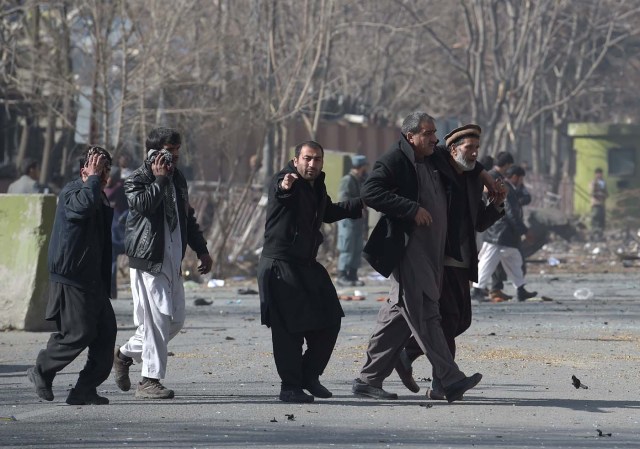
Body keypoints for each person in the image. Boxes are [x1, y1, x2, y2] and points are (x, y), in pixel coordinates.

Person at [352, 112, 484, 403]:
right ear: (410, 136)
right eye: (427, 133)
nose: (434, 139)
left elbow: (466, 161)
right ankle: (449, 380)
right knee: (426, 312)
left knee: (396, 319)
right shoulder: (396, 160)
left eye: (435, 133)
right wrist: (410, 209)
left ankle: (368, 379)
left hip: (432, 252)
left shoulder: (432, 156)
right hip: (409, 251)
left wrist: (487, 179)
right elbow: (370, 192)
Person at [394, 124, 505, 399]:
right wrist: (483, 171)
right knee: (448, 320)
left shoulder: (470, 179)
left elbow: (478, 222)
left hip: (462, 261)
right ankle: (441, 383)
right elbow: (438, 152)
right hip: (439, 258)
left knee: (460, 321)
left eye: (478, 150)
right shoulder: (439, 170)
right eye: (469, 149)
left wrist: (497, 204)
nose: (474, 155)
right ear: (453, 149)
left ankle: (409, 353)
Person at [257, 140, 363, 403]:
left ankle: (309, 376)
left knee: (330, 317)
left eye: (316, 159)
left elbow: (328, 212)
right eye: (307, 158)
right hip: (280, 265)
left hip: (306, 264)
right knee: (288, 330)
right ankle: (290, 386)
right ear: (296, 160)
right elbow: (282, 191)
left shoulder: (317, 186)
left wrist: (362, 203)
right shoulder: (286, 179)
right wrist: (284, 187)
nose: (311, 164)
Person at [112, 127, 213, 400]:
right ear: (154, 153)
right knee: (157, 320)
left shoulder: (178, 178)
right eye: (170, 152)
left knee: (175, 320)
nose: (174, 158)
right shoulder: (138, 179)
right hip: (149, 259)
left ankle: (124, 354)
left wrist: (202, 250)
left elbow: (186, 218)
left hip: (173, 259)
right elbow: (143, 206)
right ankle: (149, 380)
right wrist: (159, 181)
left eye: (178, 152)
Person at [27, 146, 116, 405]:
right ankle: (41, 370)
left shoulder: (96, 194)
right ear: (84, 171)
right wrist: (93, 181)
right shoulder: (73, 192)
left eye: (106, 172)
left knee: (105, 333)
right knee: (79, 332)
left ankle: (84, 389)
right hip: (73, 275)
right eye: (100, 171)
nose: (104, 177)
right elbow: (81, 211)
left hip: (92, 278)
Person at [472, 165, 538, 302]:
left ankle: (521, 289)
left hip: (505, 236)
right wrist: (524, 231)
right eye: (520, 179)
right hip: (498, 235)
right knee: (487, 263)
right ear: (515, 177)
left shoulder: (509, 188)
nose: (521, 182)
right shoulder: (506, 188)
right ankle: (477, 290)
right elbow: (511, 213)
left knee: (515, 262)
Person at [336, 154, 369, 287]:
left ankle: (352, 275)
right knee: (347, 247)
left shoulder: (360, 180)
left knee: (357, 248)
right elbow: (344, 198)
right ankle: (342, 275)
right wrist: (357, 207)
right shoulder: (348, 180)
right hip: (348, 220)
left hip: (358, 220)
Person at [104, 168, 128, 298]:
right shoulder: (119, 188)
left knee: (111, 262)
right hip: (115, 230)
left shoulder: (117, 189)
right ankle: (111, 291)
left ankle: (111, 290)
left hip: (117, 232)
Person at [590, 167, 608, 240]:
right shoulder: (593, 182)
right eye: (598, 174)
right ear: (595, 174)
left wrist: (603, 195)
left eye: (600, 174)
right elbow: (592, 192)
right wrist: (598, 193)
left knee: (601, 220)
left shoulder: (603, 182)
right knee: (595, 219)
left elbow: (606, 193)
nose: (599, 175)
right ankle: (594, 235)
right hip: (595, 204)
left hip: (602, 204)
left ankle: (600, 235)